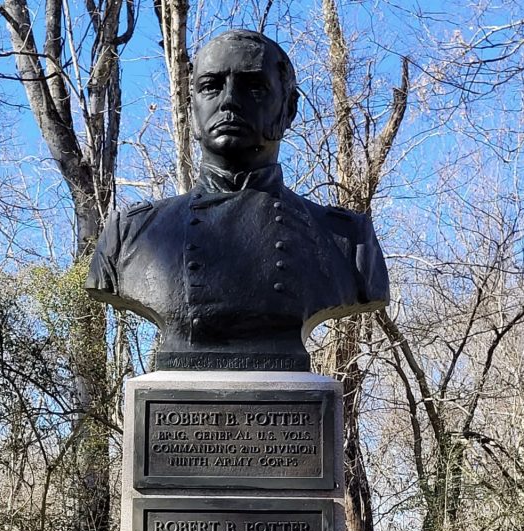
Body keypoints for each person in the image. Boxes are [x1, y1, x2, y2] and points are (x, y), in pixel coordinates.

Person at [87, 29, 390, 371]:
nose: (229, 100)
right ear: (191, 107)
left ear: (289, 109)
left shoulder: (348, 243)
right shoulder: (129, 236)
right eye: (211, 86)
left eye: (254, 87)